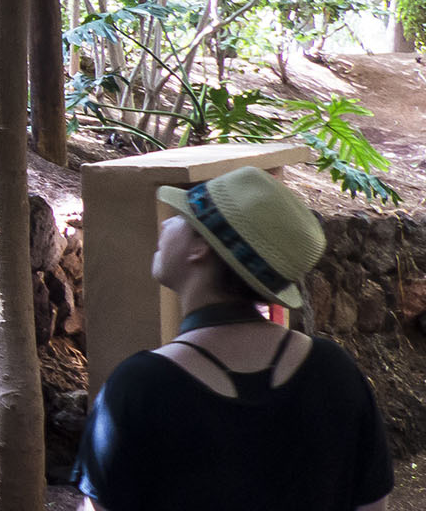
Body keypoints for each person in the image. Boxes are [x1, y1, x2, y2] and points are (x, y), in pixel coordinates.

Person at [73, 166, 393, 511]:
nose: (165, 223)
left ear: (201, 247)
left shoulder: (139, 387)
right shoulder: (334, 372)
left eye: (181, 216)